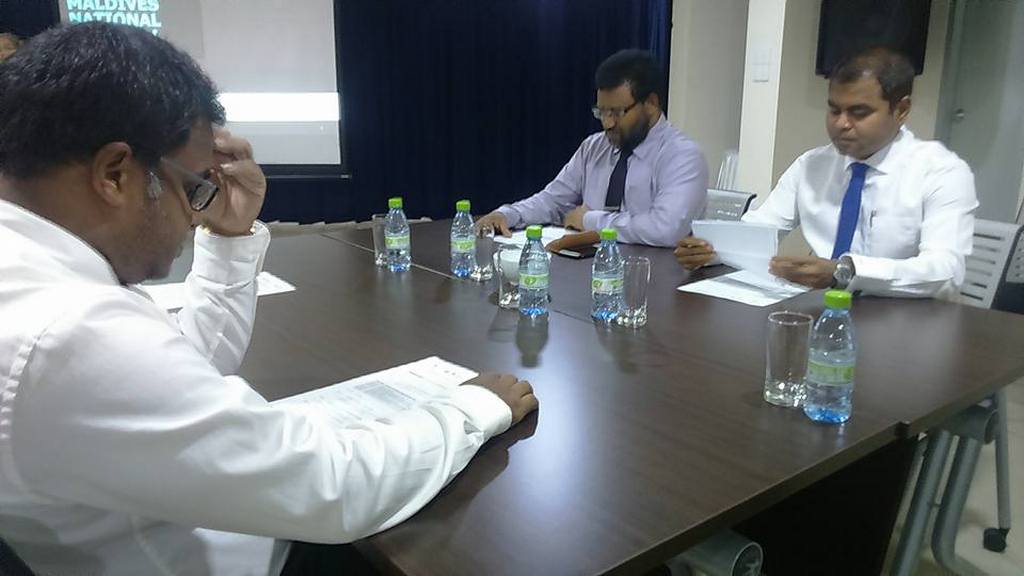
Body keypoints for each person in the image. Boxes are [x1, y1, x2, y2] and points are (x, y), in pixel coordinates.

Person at [0, 23, 537, 576]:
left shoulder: (31, 274)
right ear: (115, 174)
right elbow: (333, 488)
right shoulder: (71, 331)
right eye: (195, 187)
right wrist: (471, 408)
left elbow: (190, 364)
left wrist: (230, 236)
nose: (196, 216)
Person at [676, 47, 978, 299]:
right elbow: (760, 228)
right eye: (834, 110)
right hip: (820, 310)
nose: (841, 124)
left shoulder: (942, 172)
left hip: (905, 320)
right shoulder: (812, 165)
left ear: (901, 110)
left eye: (859, 112)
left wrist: (845, 272)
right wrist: (710, 250)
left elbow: (946, 271)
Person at [474, 49, 708, 249]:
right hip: (588, 270)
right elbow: (552, 200)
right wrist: (507, 214)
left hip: (652, 277)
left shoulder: (682, 155)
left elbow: (666, 229)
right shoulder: (594, 147)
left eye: (617, 112)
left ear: (651, 103)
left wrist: (590, 220)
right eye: (601, 112)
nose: (607, 124)